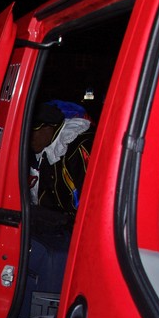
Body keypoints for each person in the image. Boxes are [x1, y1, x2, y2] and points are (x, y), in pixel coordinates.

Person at [27, 100, 95, 234]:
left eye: (33, 132)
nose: (29, 139)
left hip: (79, 230)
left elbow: (92, 203)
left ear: (50, 127)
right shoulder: (39, 152)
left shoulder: (78, 149)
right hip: (54, 227)